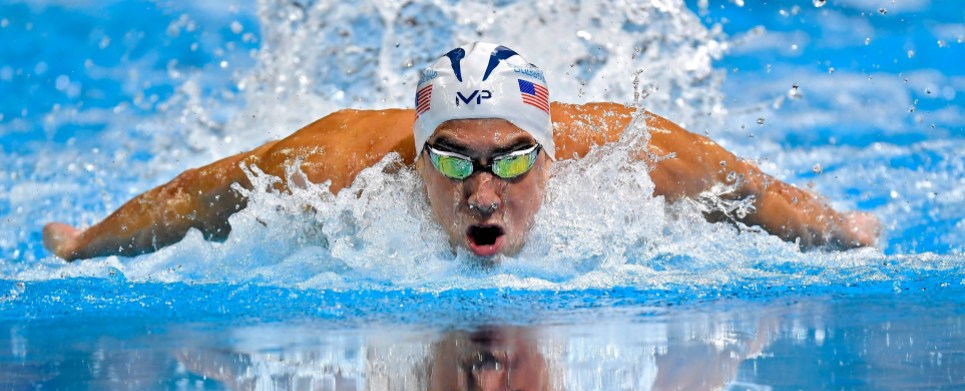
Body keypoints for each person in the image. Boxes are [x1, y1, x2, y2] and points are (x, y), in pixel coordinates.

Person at [42, 42, 880, 261]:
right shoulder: (337, 162)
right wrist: (85, 246)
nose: (483, 193)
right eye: (451, 160)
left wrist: (844, 233)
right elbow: (200, 194)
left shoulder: (634, 152)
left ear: (552, 156)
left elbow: (751, 189)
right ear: (413, 159)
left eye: (513, 159)